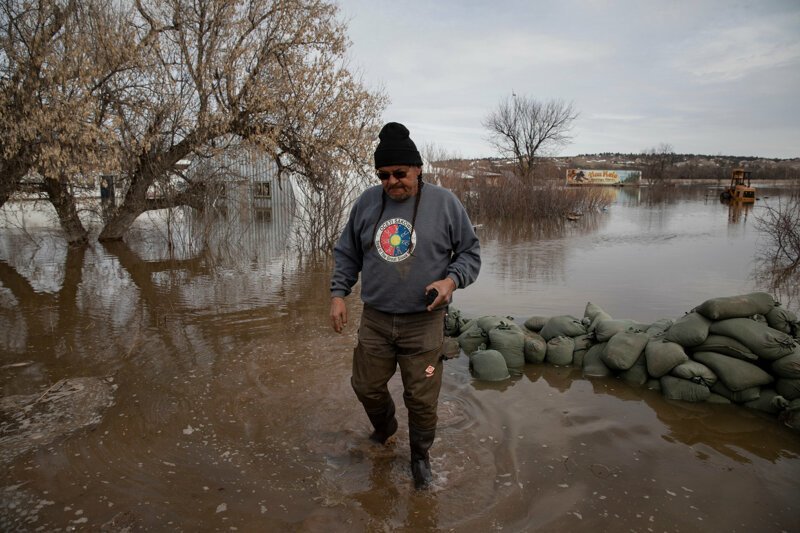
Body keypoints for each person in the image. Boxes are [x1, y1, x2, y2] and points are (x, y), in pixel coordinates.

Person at [330, 122, 481, 489]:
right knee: (365, 385)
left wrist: (451, 281)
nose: (392, 181)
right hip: (377, 318)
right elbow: (347, 252)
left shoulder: (445, 203)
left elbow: (470, 253)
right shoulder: (367, 202)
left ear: (418, 168)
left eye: (400, 173)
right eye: (384, 175)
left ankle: (420, 458)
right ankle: (386, 428)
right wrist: (338, 294)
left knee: (422, 398)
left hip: (424, 321)